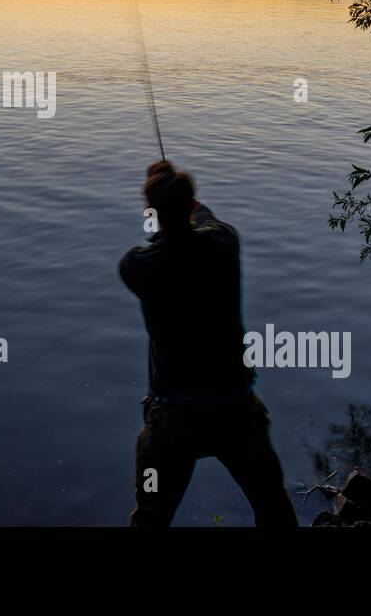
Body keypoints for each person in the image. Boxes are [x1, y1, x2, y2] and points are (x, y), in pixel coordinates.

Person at [119, 159, 298, 527]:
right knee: (274, 510)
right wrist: (185, 201)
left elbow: (164, 239)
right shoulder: (223, 244)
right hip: (236, 410)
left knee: (151, 519)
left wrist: (159, 200)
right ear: (191, 205)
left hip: (174, 418)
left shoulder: (138, 266)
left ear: (152, 213)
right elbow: (207, 223)